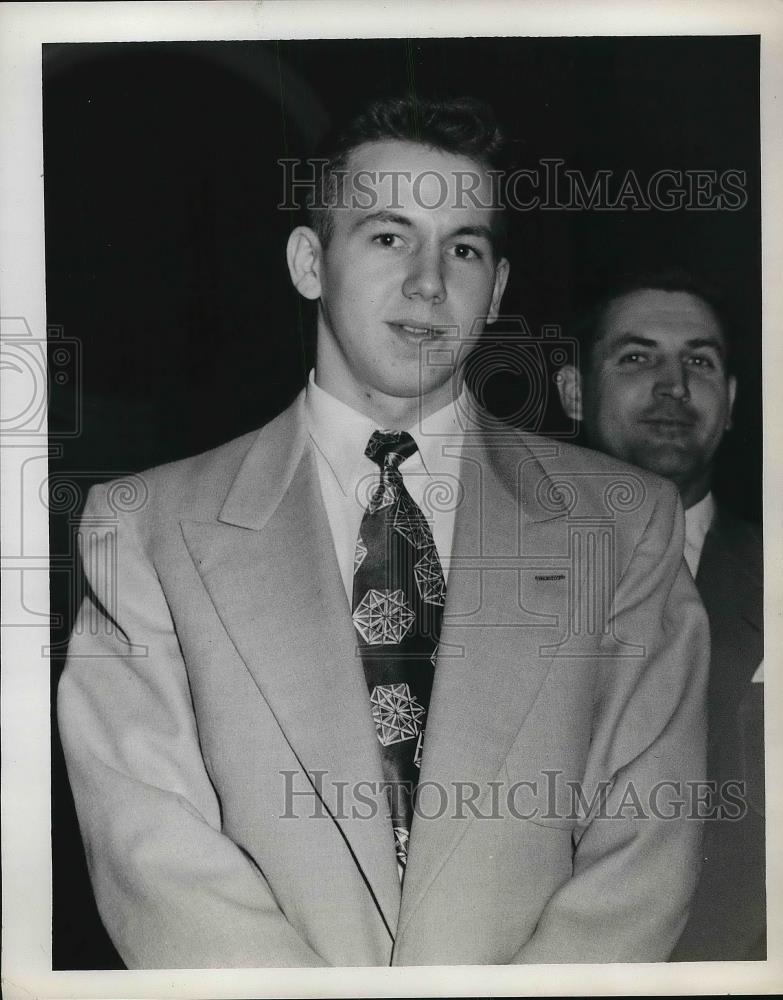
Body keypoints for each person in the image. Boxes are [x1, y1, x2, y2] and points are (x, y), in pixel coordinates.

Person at [59, 97, 709, 968]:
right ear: (308, 261)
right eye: (388, 235)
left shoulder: (625, 525)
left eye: (464, 247)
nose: (429, 284)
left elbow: (643, 853)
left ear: (499, 286)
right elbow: (152, 853)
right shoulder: (145, 528)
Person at [556, 271, 764, 960]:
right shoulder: (485, 582)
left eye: (698, 362)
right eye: (636, 357)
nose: (673, 386)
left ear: (730, 402)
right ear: (574, 392)